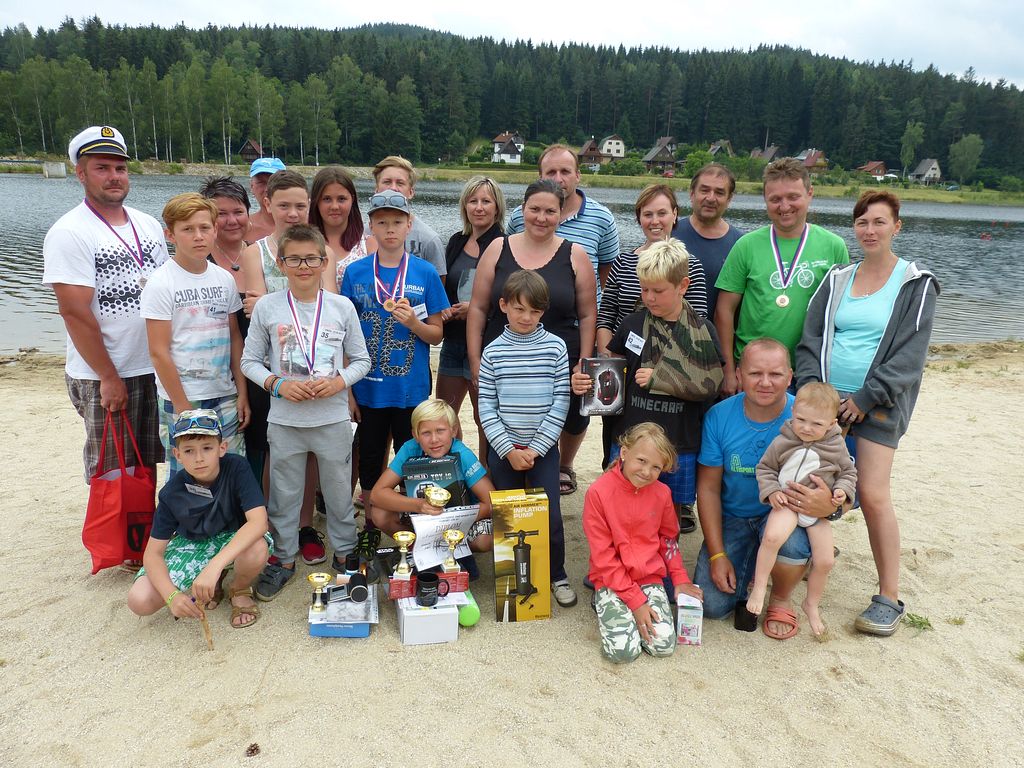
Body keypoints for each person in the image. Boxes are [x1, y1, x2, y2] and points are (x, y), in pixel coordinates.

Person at [797, 189, 939, 637]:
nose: (870, 230)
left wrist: (864, 398)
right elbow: (810, 340)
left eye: (879, 222)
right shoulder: (837, 279)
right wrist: (816, 395)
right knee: (814, 482)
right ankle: (814, 554)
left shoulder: (916, 283)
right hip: (826, 406)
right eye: (862, 222)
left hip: (879, 405)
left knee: (873, 494)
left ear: (897, 226)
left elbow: (910, 357)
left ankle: (889, 597)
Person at [42, 126, 168, 536]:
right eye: (102, 168)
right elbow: (74, 311)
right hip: (106, 370)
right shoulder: (70, 232)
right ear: (80, 173)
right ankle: (118, 541)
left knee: (146, 456)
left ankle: (143, 533)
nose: (114, 176)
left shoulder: (147, 224)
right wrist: (108, 376)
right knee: (113, 463)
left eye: (120, 168)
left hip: (152, 363)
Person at [241, 225, 371, 600]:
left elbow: (362, 360)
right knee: (284, 493)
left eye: (311, 259)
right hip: (285, 420)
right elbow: (249, 362)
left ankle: (345, 553)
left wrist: (339, 382)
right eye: (294, 259)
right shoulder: (268, 307)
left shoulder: (341, 307)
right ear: (281, 264)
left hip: (332, 418)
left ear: (323, 262)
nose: (303, 266)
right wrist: (277, 384)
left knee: (339, 491)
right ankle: (283, 558)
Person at [693, 338, 851, 640]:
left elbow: (845, 474)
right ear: (739, 374)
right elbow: (709, 489)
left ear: (790, 376)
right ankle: (756, 566)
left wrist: (831, 507)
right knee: (712, 606)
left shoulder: (810, 414)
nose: (765, 382)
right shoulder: (718, 416)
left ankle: (781, 596)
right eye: (755, 373)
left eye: (775, 374)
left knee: (791, 541)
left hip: (786, 514)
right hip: (734, 516)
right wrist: (717, 555)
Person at [576, 240, 722, 535]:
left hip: (679, 441)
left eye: (658, 291)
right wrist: (587, 382)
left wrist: (662, 379)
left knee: (669, 516)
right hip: (629, 436)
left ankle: (663, 560)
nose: (649, 298)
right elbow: (612, 372)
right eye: (644, 290)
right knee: (621, 507)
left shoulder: (704, 331)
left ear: (683, 285)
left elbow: (711, 384)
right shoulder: (631, 323)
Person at [467, 178, 597, 498]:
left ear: (561, 213)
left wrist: (584, 362)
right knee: (497, 424)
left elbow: (588, 314)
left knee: (557, 425)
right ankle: (499, 491)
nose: (541, 217)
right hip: (504, 359)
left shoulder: (575, 255)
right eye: (534, 209)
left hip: (556, 362)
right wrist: (475, 359)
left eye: (550, 211)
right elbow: (478, 308)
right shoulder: (498, 248)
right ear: (522, 209)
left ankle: (554, 476)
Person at [506, 144, 619, 493]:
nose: (558, 178)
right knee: (535, 398)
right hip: (528, 322)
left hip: (575, 325)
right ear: (540, 176)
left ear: (577, 175)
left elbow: (608, 275)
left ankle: (565, 464)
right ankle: (538, 460)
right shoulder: (519, 216)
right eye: (550, 172)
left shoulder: (602, 218)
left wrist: (595, 334)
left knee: (576, 406)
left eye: (565, 171)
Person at [241, 169, 336, 563]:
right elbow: (256, 308)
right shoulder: (255, 252)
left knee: (310, 451)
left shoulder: (319, 248)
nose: (293, 213)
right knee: (272, 450)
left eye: (300, 205)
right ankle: (270, 528)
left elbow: (329, 306)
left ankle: (304, 524)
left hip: (316, 370)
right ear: (268, 205)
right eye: (284, 205)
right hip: (272, 372)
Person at [341, 192, 448, 515]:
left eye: (397, 222)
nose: (390, 229)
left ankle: (412, 519)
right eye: (382, 222)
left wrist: (414, 323)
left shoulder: (425, 272)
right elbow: (346, 337)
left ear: (409, 225)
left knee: (411, 457)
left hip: (410, 387)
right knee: (370, 456)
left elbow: (437, 333)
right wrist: (348, 390)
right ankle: (373, 523)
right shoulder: (356, 272)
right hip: (368, 387)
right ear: (370, 226)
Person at [477, 269, 574, 607]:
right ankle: (511, 580)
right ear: (504, 305)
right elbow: (486, 406)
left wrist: (536, 448)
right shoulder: (492, 352)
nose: (526, 317)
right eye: (519, 309)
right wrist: (507, 449)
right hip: (504, 450)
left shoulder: (555, 347)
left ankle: (557, 574)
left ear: (543, 311)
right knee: (508, 514)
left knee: (551, 514)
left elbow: (561, 401)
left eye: (534, 311)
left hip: (543, 450)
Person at [715, 157, 849, 395]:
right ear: (765, 200)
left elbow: (841, 314)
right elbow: (724, 311)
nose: (784, 206)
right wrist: (728, 371)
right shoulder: (746, 246)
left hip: (808, 372)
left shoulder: (834, 246)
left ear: (810, 194)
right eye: (775, 199)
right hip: (754, 372)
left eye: (793, 197)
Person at [126, 409, 271, 628]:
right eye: (189, 451)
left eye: (207, 448)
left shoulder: (237, 467)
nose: (199, 458)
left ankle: (239, 589)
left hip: (234, 537)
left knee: (257, 547)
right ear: (177, 455)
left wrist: (214, 566)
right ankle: (213, 583)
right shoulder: (170, 493)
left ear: (222, 448)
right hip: (193, 543)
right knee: (140, 600)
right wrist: (172, 596)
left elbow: (259, 522)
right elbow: (153, 554)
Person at [141, 193, 248, 475]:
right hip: (184, 396)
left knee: (230, 467)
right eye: (188, 229)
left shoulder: (224, 278)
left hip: (224, 393)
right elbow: (158, 351)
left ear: (215, 230)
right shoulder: (161, 283)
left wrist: (242, 392)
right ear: (170, 235)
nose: (198, 236)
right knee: (188, 471)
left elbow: (234, 337)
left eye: (204, 228)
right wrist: (182, 407)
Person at [583, 422, 704, 663]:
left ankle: (625, 613)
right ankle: (603, 600)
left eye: (656, 467)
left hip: (649, 578)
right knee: (622, 652)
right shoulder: (598, 493)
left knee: (663, 646)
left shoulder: (662, 493)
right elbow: (603, 557)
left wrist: (680, 578)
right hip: (610, 580)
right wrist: (636, 602)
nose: (647, 472)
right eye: (641, 460)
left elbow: (668, 540)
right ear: (624, 453)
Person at [747, 382, 857, 637]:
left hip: (817, 512)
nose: (806, 428)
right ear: (793, 412)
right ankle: (760, 586)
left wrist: (841, 491)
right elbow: (765, 468)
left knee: (826, 560)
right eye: (801, 420)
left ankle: (811, 604)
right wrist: (772, 491)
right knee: (772, 537)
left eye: (816, 424)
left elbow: (848, 472)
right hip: (787, 503)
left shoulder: (836, 445)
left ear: (831, 423)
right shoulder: (783, 440)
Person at [199, 175, 270, 483]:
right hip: (217, 372)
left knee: (263, 443)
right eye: (221, 213)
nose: (231, 220)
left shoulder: (263, 255)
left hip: (261, 368)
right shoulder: (199, 262)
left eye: (238, 211)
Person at [369, 398, 495, 560]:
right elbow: (376, 494)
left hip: (461, 518)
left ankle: (453, 548)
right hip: (422, 514)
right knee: (379, 513)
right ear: (415, 435)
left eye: (440, 430)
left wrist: (454, 519)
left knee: (484, 539)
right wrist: (419, 505)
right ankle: (418, 545)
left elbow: (491, 501)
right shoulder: (409, 449)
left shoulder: (463, 454)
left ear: (453, 431)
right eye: (426, 433)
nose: (434, 439)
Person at [437, 176, 505, 454]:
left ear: (497, 208)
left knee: (484, 418)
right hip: (453, 340)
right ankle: (455, 467)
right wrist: (443, 306)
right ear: (464, 206)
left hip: (487, 343)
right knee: (445, 415)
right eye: (472, 201)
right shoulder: (457, 241)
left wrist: (477, 309)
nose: (479, 207)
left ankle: (487, 473)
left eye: (486, 201)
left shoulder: (505, 245)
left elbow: (508, 295)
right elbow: (444, 284)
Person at [671, 162, 744, 321]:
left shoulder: (741, 244)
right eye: (704, 190)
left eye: (719, 192)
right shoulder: (669, 235)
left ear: (729, 199)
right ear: (692, 193)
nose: (711, 198)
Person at [372, 155, 447, 279]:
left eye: (400, 183)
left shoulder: (429, 240)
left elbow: (439, 284)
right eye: (387, 182)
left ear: (411, 192)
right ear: (376, 190)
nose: (393, 188)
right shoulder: (363, 235)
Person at [307, 166, 376, 288]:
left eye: (341, 199)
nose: (334, 206)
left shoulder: (369, 245)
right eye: (327, 199)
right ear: (316, 201)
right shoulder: (303, 243)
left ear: (352, 200)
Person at [248, 157, 285, 241]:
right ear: (252, 187)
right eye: (261, 183)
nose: (267, 189)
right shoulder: (241, 227)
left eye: (274, 182)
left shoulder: (300, 226)